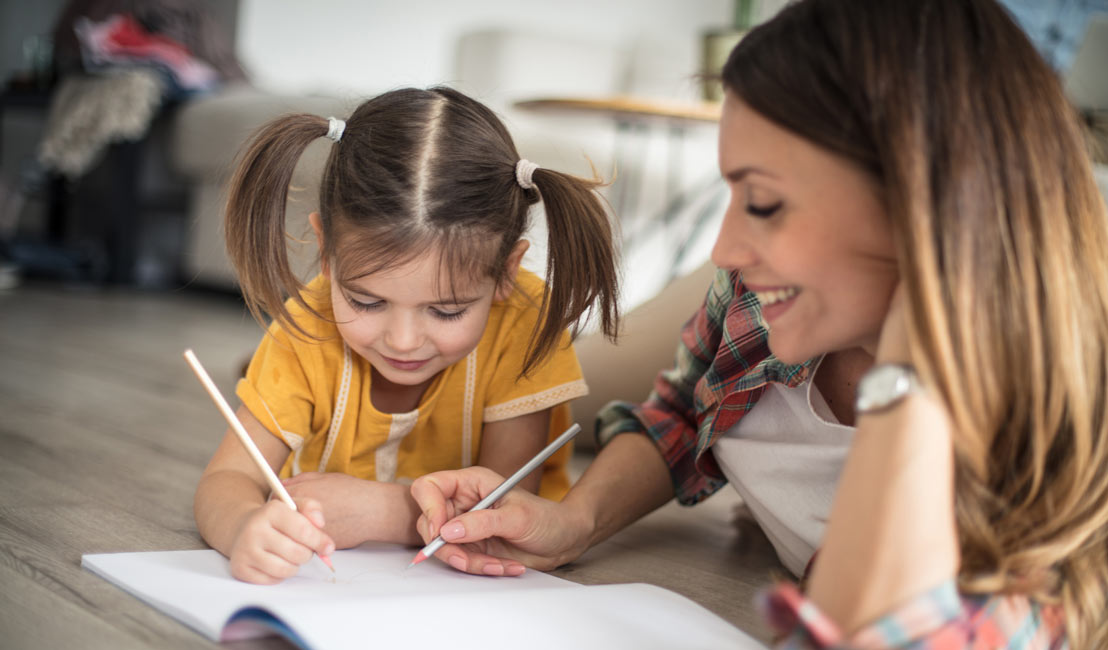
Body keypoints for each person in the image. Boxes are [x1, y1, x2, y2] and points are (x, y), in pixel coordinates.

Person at [409, 0, 1108, 647]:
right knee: (569, 379)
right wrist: (573, 521)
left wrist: (906, 379)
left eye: (765, 203)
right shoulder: (746, 296)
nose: (724, 248)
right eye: (733, 194)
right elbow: (681, 411)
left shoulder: (1051, 437)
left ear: (924, 205)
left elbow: (861, 623)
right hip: (781, 321)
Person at [193, 86, 620, 585]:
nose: (402, 340)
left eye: (445, 310)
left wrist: (383, 511)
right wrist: (245, 525)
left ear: (505, 273)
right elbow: (226, 480)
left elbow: (498, 507)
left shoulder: (524, 320)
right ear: (327, 254)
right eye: (366, 302)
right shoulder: (307, 326)